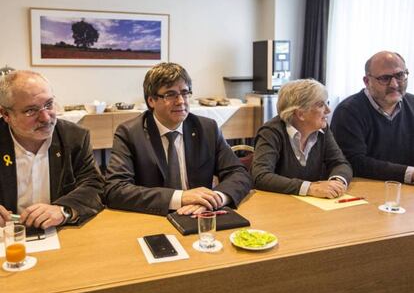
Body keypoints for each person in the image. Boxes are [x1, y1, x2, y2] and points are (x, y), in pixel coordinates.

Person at [105, 62, 252, 216]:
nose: (181, 101)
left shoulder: (207, 128)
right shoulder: (130, 133)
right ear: (151, 101)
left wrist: (216, 199)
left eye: (184, 93)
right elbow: (115, 189)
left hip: (200, 216)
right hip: (152, 218)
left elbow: (239, 173)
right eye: (170, 94)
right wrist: (180, 197)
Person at [0, 71, 104, 228]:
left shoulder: (75, 137)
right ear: (5, 114)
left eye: (49, 105)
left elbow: (94, 186)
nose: (46, 118)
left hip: (60, 233)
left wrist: (63, 210)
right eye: (31, 110)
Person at [251, 79, 352, 198]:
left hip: (311, 205)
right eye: (320, 105)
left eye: (327, 103)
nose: (328, 110)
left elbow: (340, 163)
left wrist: (336, 182)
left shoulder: (323, 130)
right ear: (300, 114)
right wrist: (309, 188)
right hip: (276, 205)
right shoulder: (271, 132)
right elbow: (261, 177)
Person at [331, 51, 414, 183]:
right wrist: (409, 173)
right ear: (367, 81)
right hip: (365, 190)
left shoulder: (412, 103)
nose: (394, 84)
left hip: (406, 191)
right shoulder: (348, 112)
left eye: (400, 75)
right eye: (385, 78)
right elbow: (354, 162)